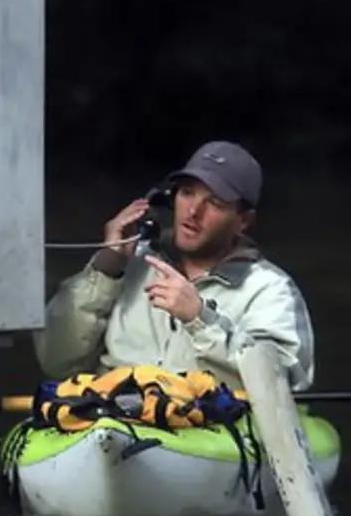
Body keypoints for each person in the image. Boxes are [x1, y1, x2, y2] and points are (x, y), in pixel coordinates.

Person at [34, 140, 314, 392]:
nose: (193, 212)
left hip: (207, 433)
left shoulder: (269, 288)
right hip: (113, 422)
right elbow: (55, 361)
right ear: (169, 198)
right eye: (187, 193)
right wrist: (106, 270)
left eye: (214, 203)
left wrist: (201, 319)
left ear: (243, 221)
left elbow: (286, 378)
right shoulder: (128, 265)